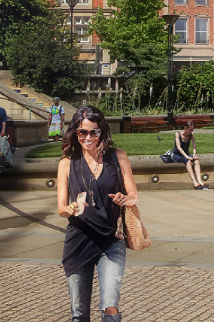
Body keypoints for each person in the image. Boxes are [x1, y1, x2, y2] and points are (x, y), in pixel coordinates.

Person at [56, 105, 140, 322]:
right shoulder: (67, 163)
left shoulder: (118, 157)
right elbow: (61, 207)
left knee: (110, 306)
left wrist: (125, 198)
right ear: (76, 133)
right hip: (78, 241)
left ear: (102, 131)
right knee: (79, 313)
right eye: (83, 132)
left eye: (94, 131)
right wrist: (70, 209)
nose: (88, 137)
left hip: (111, 241)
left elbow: (134, 195)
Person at [172, 121, 207, 190]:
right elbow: (178, 147)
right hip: (177, 154)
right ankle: (194, 182)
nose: (191, 132)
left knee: (196, 161)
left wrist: (194, 155)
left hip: (186, 154)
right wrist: (186, 156)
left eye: (192, 130)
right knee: (188, 161)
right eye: (190, 130)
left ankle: (199, 181)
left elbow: (194, 146)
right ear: (185, 128)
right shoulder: (178, 134)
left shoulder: (191, 135)